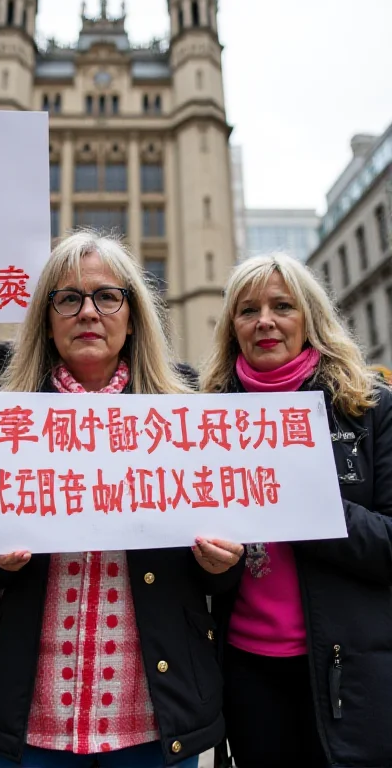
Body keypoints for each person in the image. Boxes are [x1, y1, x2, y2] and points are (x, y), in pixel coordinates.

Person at [0, 232, 244, 768]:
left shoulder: (188, 415)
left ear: (133, 316)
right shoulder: (4, 417)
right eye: (68, 299)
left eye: (108, 297)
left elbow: (219, 572)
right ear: (47, 318)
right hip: (34, 718)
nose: (88, 311)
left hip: (156, 713)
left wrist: (222, 562)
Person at [199, 253, 392, 768]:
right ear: (232, 328)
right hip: (246, 669)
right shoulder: (201, 418)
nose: (265, 320)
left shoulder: (370, 407)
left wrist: (305, 504)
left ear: (308, 317)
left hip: (347, 669)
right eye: (248, 309)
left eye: (282, 306)